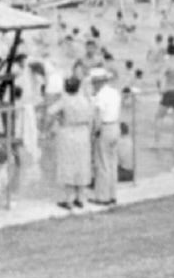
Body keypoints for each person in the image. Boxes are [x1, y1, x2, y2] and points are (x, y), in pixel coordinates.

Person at [52, 76, 94, 211]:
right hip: (83, 132)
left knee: (68, 164)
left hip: (68, 131)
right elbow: (91, 116)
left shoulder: (64, 101)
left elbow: (50, 111)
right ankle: (80, 197)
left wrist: (59, 118)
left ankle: (69, 198)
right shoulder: (85, 100)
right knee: (82, 164)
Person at [89, 68, 122, 206]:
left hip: (105, 127)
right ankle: (112, 194)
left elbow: (98, 116)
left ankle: (102, 197)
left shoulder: (100, 96)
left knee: (102, 163)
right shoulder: (114, 92)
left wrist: (94, 132)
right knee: (112, 162)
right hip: (115, 126)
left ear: (97, 82)